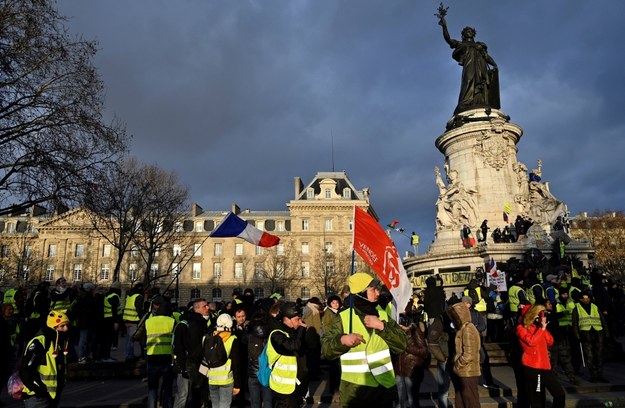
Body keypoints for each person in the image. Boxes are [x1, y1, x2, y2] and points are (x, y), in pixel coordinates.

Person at [321, 272, 407, 408]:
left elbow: (402, 344)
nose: (378, 293)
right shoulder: (343, 317)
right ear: (361, 293)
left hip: (383, 390)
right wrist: (342, 340)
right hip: (355, 393)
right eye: (373, 290)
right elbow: (326, 350)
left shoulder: (383, 314)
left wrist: (382, 327)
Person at [436, 4, 499, 114]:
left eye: (470, 31)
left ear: (473, 34)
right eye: (466, 31)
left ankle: (480, 101)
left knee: (482, 84)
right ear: (463, 35)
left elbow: (486, 56)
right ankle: (466, 102)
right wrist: (444, 26)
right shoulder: (461, 44)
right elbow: (449, 40)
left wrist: (494, 64)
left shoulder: (480, 45)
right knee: (468, 81)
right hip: (469, 66)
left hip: (481, 67)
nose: (468, 32)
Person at [516, 304, 565, 408]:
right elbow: (531, 341)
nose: (537, 317)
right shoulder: (521, 328)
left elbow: (550, 340)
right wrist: (541, 329)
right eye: (536, 315)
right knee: (537, 400)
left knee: (560, 394)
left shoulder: (538, 328)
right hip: (533, 367)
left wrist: (542, 327)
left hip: (545, 366)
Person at [20, 310, 71, 408]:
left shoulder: (60, 341)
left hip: (52, 394)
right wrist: (39, 390)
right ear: (54, 326)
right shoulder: (41, 341)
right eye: (62, 326)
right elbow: (25, 371)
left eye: (67, 325)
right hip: (37, 397)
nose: (66, 329)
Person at [266, 301, 308, 408]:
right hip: (283, 389)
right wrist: (302, 330)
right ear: (287, 319)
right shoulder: (277, 334)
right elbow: (293, 347)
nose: (300, 322)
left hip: (295, 387)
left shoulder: (293, 332)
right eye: (297, 319)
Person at [172, 299, 211, 408]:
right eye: (205, 306)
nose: (208, 308)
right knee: (184, 394)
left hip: (197, 363)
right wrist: (183, 365)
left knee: (194, 394)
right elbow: (180, 347)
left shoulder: (202, 321)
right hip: (188, 363)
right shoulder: (188, 325)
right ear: (196, 309)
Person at [140, 301, 175, 408]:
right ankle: (166, 405)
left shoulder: (149, 321)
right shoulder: (171, 321)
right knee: (167, 387)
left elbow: (142, 338)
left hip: (152, 356)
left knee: (152, 388)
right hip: (167, 357)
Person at [448, 301, 481, 408]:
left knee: (470, 401)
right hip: (464, 371)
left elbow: (469, 354)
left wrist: (457, 365)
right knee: (462, 400)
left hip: (468, 372)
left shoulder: (467, 329)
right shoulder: (465, 328)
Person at [572, 290, 610, 383]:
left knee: (599, 355)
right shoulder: (577, 308)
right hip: (585, 334)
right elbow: (575, 322)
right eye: (584, 298)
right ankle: (593, 375)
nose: (586, 300)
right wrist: (577, 335)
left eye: (588, 298)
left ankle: (600, 375)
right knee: (589, 356)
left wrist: (606, 332)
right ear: (581, 299)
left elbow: (602, 320)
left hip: (598, 332)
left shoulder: (595, 306)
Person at [207, 313, 242, 408]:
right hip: (226, 379)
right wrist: (238, 384)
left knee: (215, 405)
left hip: (211, 379)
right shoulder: (232, 339)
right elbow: (236, 364)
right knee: (225, 405)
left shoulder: (208, 337)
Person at [393, 317, 429, 408]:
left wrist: (407, 347)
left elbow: (424, 351)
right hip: (399, 370)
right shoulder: (398, 333)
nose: (400, 325)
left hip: (411, 370)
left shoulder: (415, 331)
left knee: (411, 399)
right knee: (400, 399)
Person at [246, 311, 273, 408]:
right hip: (267, 372)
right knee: (268, 401)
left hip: (253, 373)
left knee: (255, 403)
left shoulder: (248, 336)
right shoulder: (270, 335)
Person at [123, 283, 145, 362]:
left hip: (127, 319)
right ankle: (129, 356)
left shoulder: (129, 295)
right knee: (132, 339)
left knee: (128, 339)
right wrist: (142, 318)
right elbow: (138, 309)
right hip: (134, 319)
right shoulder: (139, 296)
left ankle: (129, 355)